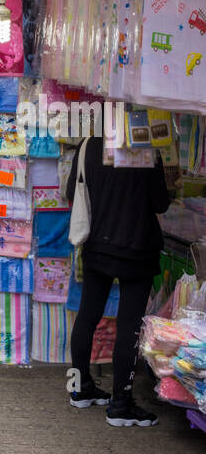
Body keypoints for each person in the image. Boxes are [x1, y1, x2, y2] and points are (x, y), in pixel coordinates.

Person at [66, 136, 174, 427]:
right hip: (137, 248)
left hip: (97, 244)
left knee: (87, 315)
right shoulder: (147, 148)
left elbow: (71, 193)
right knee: (129, 325)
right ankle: (120, 403)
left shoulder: (88, 146)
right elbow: (160, 203)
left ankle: (79, 387)